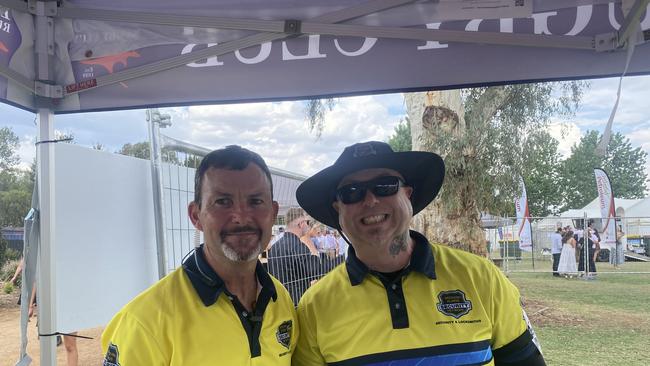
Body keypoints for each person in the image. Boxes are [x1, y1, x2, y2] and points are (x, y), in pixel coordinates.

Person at [293, 141, 545, 365]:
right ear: (339, 210)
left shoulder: (482, 278)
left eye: (385, 185)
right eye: (351, 192)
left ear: (408, 195)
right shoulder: (314, 306)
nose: (370, 200)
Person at [101, 146, 298, 365]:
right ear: (196, 216)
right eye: (223, 201)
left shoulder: (280, 299)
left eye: (255, 201)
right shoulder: (145, 320)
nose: (241, 217)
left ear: (272, 213)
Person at [267, 207, 322, 306]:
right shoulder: (298, 246)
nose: (308, 226)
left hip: (280, 299)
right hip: (297, 300)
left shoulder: (275, 246)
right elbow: (314, 272)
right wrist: (313, 248)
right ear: (301, 224)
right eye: (307, 222)